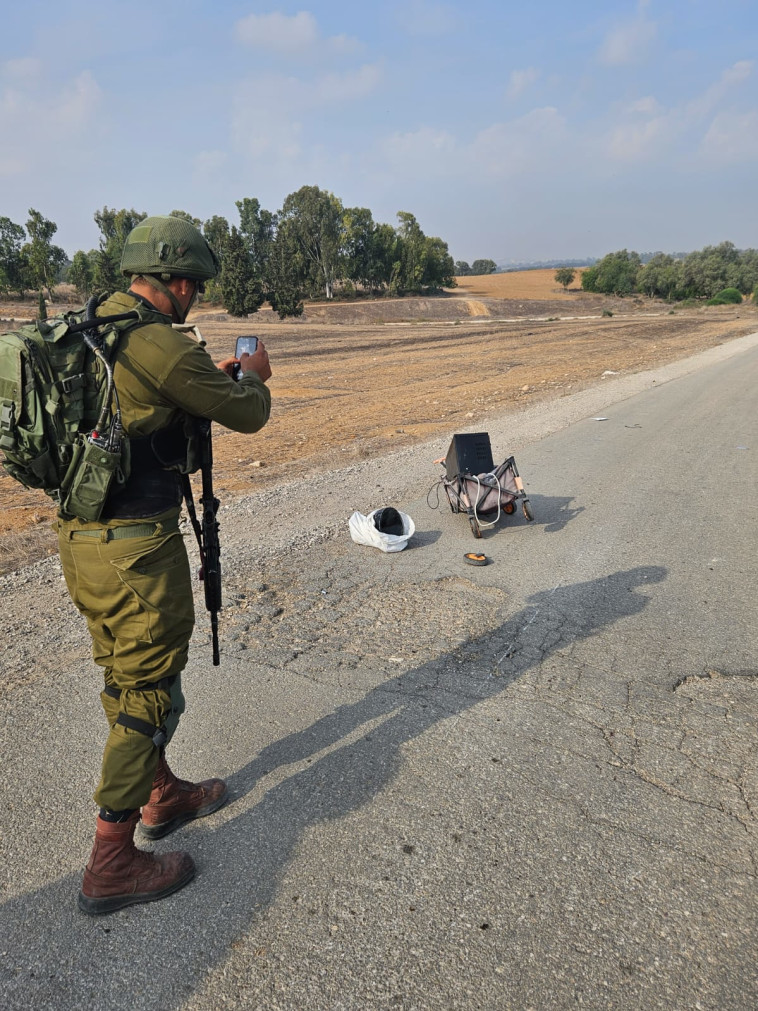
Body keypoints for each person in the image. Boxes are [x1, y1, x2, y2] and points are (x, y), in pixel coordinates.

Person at [56, 215, 272, 915]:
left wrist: (216, 375)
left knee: (125, 674)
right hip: (138, 547)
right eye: (196, 286)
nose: (196, 298)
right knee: (148, 692)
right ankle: (111, 859)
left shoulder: (93, 324)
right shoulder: (159, 341)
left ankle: (160, 791)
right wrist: (256, 380)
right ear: (176, 280)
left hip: (81, 541)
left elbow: (159, 399)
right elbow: (244, 413)